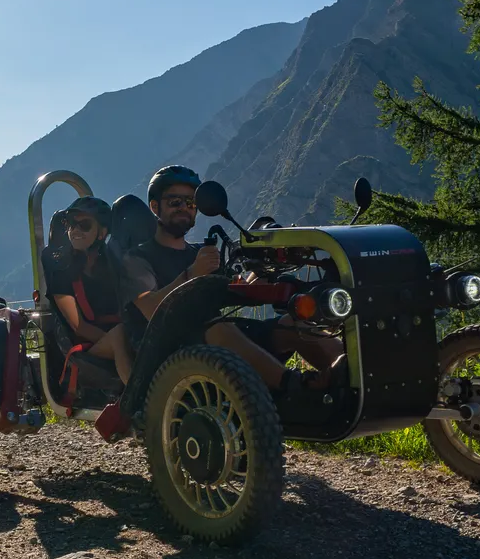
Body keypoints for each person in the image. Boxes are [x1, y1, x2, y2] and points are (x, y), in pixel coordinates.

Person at [120, 165, 344, 397]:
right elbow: (151, 309)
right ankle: (296, 385)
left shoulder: (202, 252)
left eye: (190, 203)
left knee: (292, 323)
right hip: (169, 352)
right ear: (155, 207)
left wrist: (258, 277)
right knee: (217, 327)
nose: (184, 209)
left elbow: (234, 290)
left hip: (221, 344)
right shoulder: (137, 258)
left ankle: (351, 372)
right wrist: (193, 273)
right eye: (175, 202)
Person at [46, 196, 134, 384]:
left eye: (84, 225)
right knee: (120, 336)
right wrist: (122, 340)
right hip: (88, 345)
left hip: (123, 333)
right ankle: (139, 403)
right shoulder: (62, 273)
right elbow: (79, 326)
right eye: (71, 224)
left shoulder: (114, 265)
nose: (75, 230)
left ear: (101, 233)